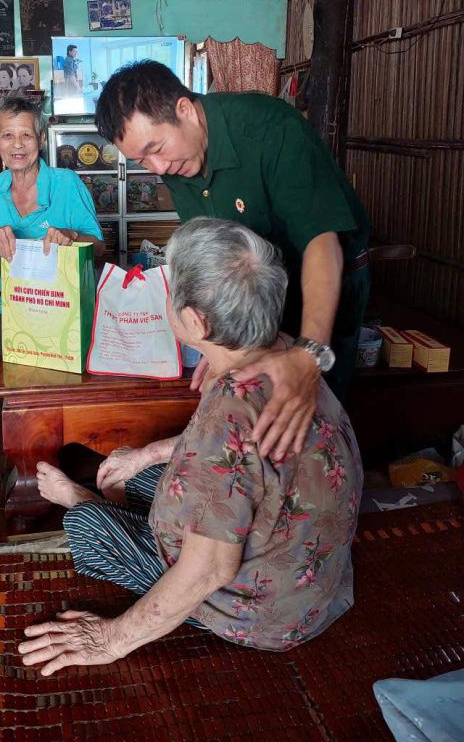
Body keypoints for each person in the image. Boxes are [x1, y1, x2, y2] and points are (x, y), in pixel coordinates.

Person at [19, 218, 363, 674]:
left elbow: (209, 570)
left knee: (87, 525)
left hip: (264, 614)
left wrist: (108, 641)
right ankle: (117, 493)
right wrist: (148, 453)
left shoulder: (227, 414)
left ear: (195, 322)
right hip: (313, 581)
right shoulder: (292, 359)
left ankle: (83, 500)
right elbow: (240, 455)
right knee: (139, 473)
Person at [95, 61, 371, 461]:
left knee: (308, 406)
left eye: (156, 149)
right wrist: (218, 346)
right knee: (252, 403)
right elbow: (218, 255)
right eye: (141, 161)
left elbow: (322, 244)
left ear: (185, 110)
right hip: (257, 291)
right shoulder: (178, 158)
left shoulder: (271, 130)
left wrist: (310, 354)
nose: (158, 169)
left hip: (323, 277)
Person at [0, 93, 105, 475]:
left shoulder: (66, 183)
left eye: (26, 135)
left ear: (40, 139)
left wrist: (71, 235)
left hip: (56, 310)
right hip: (12, 302)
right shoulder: (1, 185)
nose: (18, 145)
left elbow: (100, 247)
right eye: (8, 136)